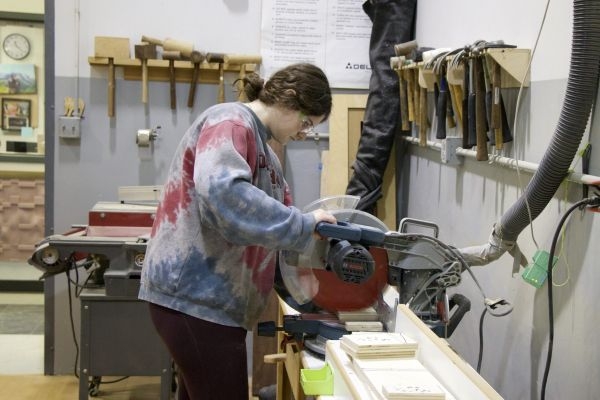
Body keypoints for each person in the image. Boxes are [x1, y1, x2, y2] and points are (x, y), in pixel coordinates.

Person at [138, 62, 337, 400]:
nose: (304, 133)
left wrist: (308, 284)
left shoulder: (268, 156)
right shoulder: (230, 122)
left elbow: (275, 230)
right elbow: (224, 195)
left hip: (215, 305)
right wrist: (305, 225)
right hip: (194, 299)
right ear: (289, 98)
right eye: (306, 123)